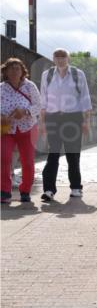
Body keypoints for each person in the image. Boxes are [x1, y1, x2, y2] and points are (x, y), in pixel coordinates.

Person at [39, 48, 93, 202]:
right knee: (53, 154)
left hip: (73, 118)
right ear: (53, 59)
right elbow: (44, 99)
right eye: (57, 56)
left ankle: (76, 187)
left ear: (68, 58)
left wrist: (86, 121)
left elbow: (85, 98)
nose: (60, 59)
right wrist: (41, 123)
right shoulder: (47, 75)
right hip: (53, 118)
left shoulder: (77, 74)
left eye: (63, 56)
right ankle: (49, 190)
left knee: (73, 154)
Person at [1, 58, 42, 204]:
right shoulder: (1, 88)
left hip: (28, 128)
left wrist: (25, 111)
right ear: (5, 71)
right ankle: (4, 191)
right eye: (11, 68)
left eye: (17, 68)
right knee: (4, 159)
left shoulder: (29, 86)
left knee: (28, 161)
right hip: (7, 130)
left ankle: (25, 190)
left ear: (22, 71)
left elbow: (39, 105)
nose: (14, 71)